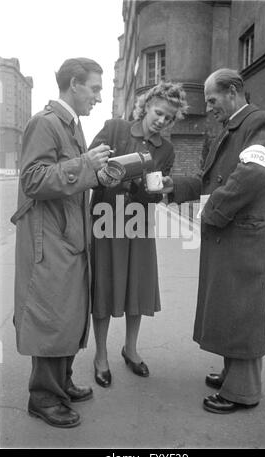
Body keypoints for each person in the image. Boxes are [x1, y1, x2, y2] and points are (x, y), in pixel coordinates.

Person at [162, 68, 265, 413]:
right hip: (234, 234)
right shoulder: (233, 127)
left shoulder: (261, 124)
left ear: (232, 92)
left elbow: (255, 174)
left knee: (244, 311)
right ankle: (234, 374)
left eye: (213, 99)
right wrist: (177, 186)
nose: (210, 107)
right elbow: (210, 179)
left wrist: (212, 210)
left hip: (243, 236)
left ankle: (242, 391)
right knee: (233, 307)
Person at [11, 58, 113, 428]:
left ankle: (60, 383)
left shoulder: (70, 125)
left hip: (67, 237)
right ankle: (43, 397)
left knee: (68, 314)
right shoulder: (46, 122)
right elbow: (33, 181)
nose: (99, 98)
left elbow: (69, 178)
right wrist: (85, 165)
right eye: (95, 88)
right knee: (51, 316)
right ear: (73, 83)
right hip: (50, 240)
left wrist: (95, 171)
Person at [89, 82, 188, 387]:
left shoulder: (166, 149)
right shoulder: (115, 129)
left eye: (169, 118)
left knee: (137, 287)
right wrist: (109, 175)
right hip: (106, 219)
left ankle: (130, 349)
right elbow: (89, 168)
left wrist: (147, 190)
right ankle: (101, 355)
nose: (162, 121)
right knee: (104, 286)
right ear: (146, 106)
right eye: (159, 113)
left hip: (140, 223)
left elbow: (157, 194)